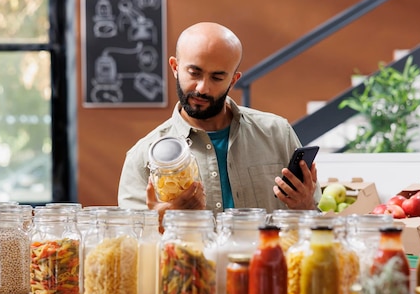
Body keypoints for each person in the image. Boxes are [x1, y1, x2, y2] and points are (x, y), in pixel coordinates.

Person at [118, 22, 321, 216]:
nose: (202, 88)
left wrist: (307, 207)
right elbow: (132, 243)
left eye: (217, 78)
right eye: (194, 73)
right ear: (175, 67)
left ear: (233, 80)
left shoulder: (278, 133)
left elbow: (319, 226)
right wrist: (160, 224)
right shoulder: (143, 156)